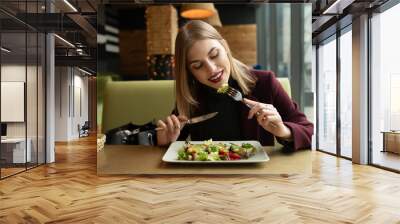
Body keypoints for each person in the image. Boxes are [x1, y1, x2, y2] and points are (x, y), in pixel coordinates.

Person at [156, 20, 313, 151]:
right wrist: (166, 143)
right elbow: (173, 150)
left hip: (258, 181)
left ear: (225, 47)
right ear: (189, 72)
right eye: (197, 66)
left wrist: (283, 131)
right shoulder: (190, 96)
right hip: (207, 179)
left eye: (214, 55)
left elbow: (307, 130)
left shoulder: (265, 83)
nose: (212, 69)